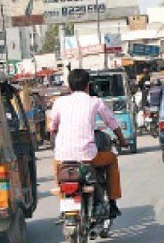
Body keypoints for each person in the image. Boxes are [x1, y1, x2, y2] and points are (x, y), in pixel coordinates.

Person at [50, 69, 129, 217]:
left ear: (69, 86)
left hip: (63, 157)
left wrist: (54, 145)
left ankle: (63, 203)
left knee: (58, 171)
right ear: (88, 86)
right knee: (112, 159)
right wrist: (122, 140)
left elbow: (52, 127)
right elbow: (111, 122)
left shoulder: (59, 102)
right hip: (87, 156)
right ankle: (112, 202)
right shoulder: (94, 102)